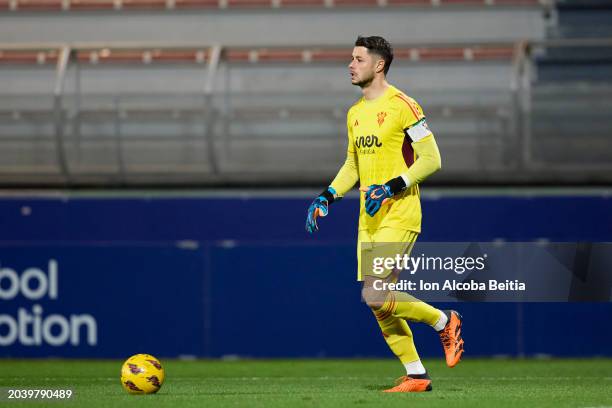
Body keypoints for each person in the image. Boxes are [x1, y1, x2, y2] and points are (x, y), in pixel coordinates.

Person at [305, 35, 464, 393]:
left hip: (400, 211)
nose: (350, 65)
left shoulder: (403, 105)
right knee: (379, 303)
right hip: (368, 218)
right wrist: (328, 195)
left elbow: (432, 159)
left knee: (376, 295)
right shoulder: (355, 112)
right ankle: (417, 375)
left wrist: (392, 186)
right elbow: (352, 164)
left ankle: (444, 321)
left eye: (358, 59)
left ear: (378, 65)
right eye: (351, 58)